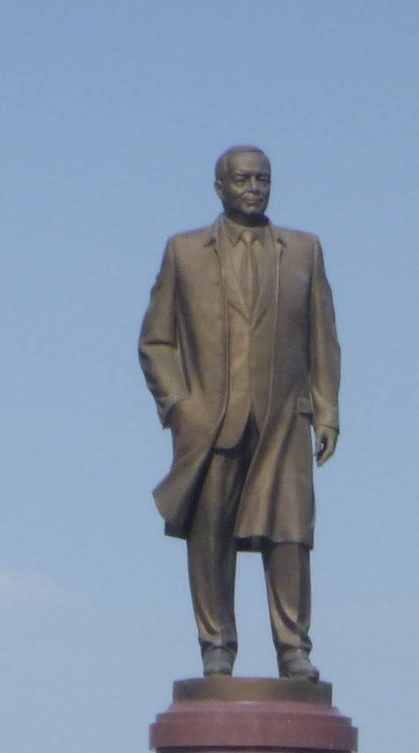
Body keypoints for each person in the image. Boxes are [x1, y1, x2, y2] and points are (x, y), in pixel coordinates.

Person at [139, 145, 341, 680]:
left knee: (290, 534)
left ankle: (293, 647)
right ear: (220, 187)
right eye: (243, 179)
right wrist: (181, 407)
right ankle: (217, 645)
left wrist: (327, 410)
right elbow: (156, 341)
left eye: (263, 179)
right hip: (212, 420)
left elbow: (324, 338)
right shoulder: (184, 252)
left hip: (283, 419)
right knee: (210, 534)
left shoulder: (304, 251)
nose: (253, 188)